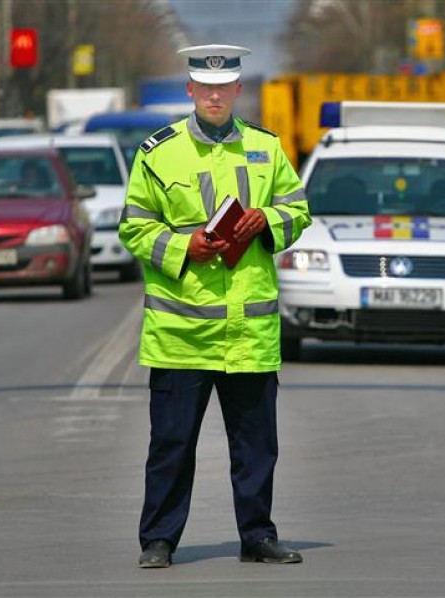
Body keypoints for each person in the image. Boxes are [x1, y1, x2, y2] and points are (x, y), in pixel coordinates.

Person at [119, 44, 311, 569]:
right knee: (172, 446)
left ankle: (257, 536)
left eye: (224, 88)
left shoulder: (266, 148)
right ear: (190, 90)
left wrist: (266, 220)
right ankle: (158, 540)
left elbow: (299, 211)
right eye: (205, 88)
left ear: (237, 91)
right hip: (181, 335)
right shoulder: (157, 153)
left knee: (256, 448)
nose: (214, 96)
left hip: (249, 335)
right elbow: (134, 226)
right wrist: (186, 248)